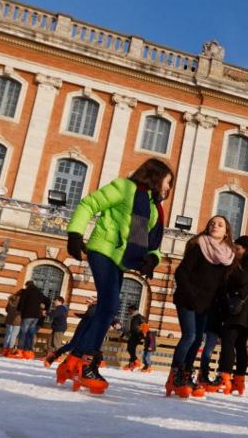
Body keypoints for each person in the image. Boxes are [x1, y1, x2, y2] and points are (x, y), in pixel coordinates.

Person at [62, 158, 172, 394]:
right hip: (103, 249)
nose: (168, 188)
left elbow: (150, 242)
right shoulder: (124, 188)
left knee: (107, 308)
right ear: (156, 176)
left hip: (120, 260)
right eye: (168, 181)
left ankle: (73, 360)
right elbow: (89, 204)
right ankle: (87, 362)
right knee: (110, 306)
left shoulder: (152, 207)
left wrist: (153, 258)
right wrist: (75, 233)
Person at [166, 215, 235, 399]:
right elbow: (182, 272)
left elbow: (220, 285)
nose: (215, 226)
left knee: (197, 341)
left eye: (220, 224)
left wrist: (225, 308)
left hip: (206, 303)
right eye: (212, 223)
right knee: (189, 336)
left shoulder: (226, 256)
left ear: (226, 232)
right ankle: (175, 375)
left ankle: (187, 374)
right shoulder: (199, 245)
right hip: (188, 298)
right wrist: (190, 293)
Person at [210, 235, 248, 396]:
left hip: (240, 310)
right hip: (247, 312)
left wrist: (228, 272)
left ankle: (224, 378)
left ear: (246, 248)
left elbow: (241, 279)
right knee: (240, 345)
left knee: (228, 341)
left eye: (238, 248)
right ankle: (238, 381)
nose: (236, 252)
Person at [14, 281, 49, 360]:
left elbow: (22, 302)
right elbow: (48, 301)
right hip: (36, 316)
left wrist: (19, 310)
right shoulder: (39, 293)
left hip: (27, 315)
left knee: (23, 333)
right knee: (31, 333)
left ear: (27, 285)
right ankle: (29, 352)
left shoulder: (26, 291)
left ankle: (20, 351)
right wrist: (45, 310)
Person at [123, 304, 145, 371]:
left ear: (133, 310)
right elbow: (129, 327)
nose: (128, 311)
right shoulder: (131, 317)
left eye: (129, 310)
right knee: (130, 349)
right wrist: (124, 335)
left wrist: (142, 336)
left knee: (131, 349)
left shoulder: (139, 317)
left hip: (137, 335)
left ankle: (136, 362)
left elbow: (144, 326)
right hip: (131, 335)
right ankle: (132, 364)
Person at [2, 291, 22, 356]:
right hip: (17, 320)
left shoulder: (11, 299)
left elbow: (6, 309)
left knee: (8, 334)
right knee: (13, 335)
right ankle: (10, 351)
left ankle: (4, 350)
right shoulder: (22, 301)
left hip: (9, 319)